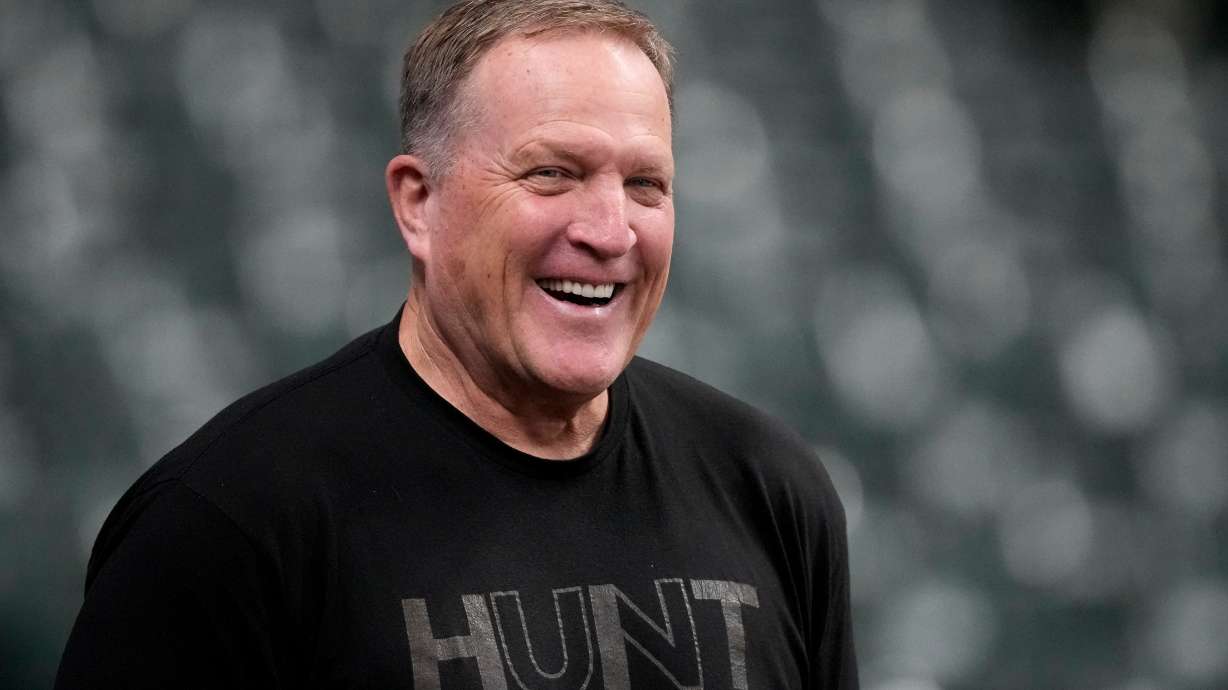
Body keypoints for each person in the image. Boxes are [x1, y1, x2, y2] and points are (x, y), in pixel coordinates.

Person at [55, 0, 857, 687]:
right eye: (551, 173)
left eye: (645, 184)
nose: (611, 231)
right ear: (418, 203)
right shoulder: (226, 524)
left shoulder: (768, 487)